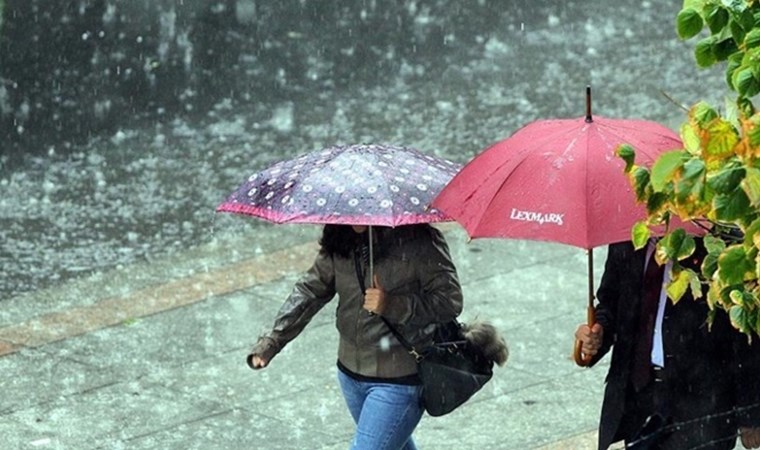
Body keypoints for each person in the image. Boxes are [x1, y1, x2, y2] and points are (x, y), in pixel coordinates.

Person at [248, 223, 463, 450]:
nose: (354, 221)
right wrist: (272, 341)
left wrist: (392, 305)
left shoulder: (420, 240)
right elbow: (310, 292)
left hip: (399, 378)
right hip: (349, 374)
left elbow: (450, 301)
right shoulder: (339, 239)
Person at [575, 238, 760, 450]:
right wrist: (597, 334)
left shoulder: (713, 242)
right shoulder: (626, 240)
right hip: (641, 397)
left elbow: (746, 334)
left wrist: (751, 412)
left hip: (701, 402)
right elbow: (611, 301)